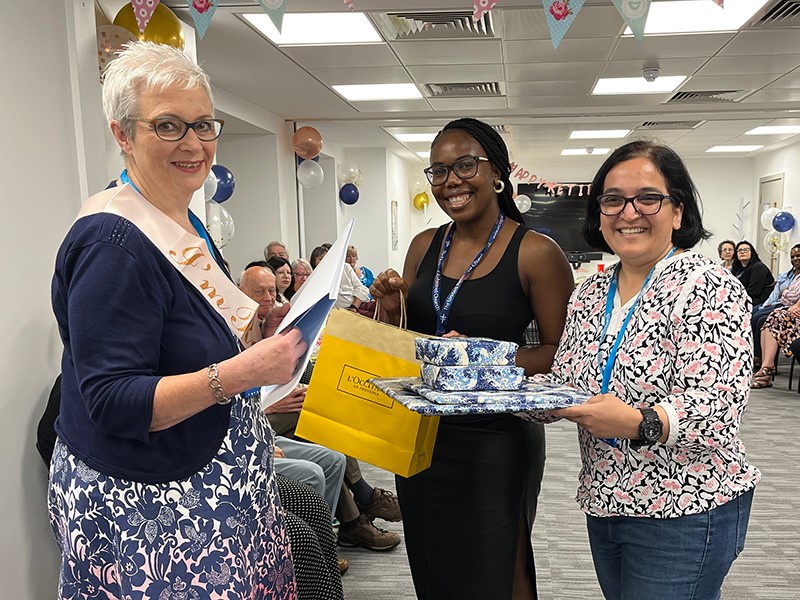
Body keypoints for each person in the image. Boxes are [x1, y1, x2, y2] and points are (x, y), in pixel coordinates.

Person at [48, 42, 307, 597]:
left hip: (208, 483)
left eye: (203, 125)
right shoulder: (113, 241)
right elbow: (115, 401)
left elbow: (193, 339)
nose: (193, 144)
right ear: (122, 134)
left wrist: (265, 331)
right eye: (167, 126)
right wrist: (244, 374)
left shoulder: (184, 217)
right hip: (149, 509)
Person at [542, 140, 759, 600]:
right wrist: (494, 380)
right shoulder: (589, 293)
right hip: (605, 499)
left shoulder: (707, 285)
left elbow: (719, 406)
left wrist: (638, 422)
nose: (628, 212)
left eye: (648, 198)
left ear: (678, 212)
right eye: (613, 199)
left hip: (686, 505)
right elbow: (565, 384)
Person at [371, 117, 574, 599]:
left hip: (495, 438)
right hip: (421, 435)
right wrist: (392, 311)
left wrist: (479, 360)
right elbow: (412, 347)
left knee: (501, 568)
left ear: (497, 173)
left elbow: (563, 356)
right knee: (433, 563)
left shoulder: (536, 253)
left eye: (465, 164)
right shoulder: (424, 246)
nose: (451, 181)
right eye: (438, 171)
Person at [240, 267, 401, 552]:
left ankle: (354, 518)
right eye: (258, 292)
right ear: (240, 294)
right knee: (313, 416)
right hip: (253, 416)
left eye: (271, 291)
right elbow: (233, 389)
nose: (267, 298)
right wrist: (267, 405)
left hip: (263, 407)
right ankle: (359, 506)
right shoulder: (232, 326)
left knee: (319, 412)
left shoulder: (267, 320)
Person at [751, 243, 800, 367]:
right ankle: (761, 359)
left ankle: (761, 359)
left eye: (798, 256)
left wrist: (786, 293)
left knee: (760, 318)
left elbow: (793, 297)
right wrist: (766, 305)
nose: (795, 259)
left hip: (789, 308)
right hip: (780, 304)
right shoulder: (786, 275)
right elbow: (777, 292)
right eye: (792, 256)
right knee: (755, 313)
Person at [732, 240, 775, 310]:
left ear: (752, 253)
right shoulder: (738, 269)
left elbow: (753, 292)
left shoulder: (758, 267)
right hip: (743, 299)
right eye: (739, 250)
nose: (742, 252)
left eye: (746, 250)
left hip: (760, 302)